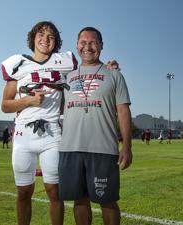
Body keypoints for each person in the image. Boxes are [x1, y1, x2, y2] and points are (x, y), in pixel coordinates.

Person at [1, 21, 77, 225]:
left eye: (51, 36)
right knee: (24, 191)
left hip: (53, 134)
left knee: (55, 191)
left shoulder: (65, 62)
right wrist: (28, 100)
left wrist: (108, 67)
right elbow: (5, 106)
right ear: (33, 38)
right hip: (23, 137)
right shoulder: (18, 64)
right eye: (41, 34)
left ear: (56, 42)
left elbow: (86, 72)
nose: (45, 39)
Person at [59, 27, 132, 225]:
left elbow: (123, 111)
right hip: (70, 148)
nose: (87, 47)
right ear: (76, 45)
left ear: (101, 45)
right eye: (83, 42)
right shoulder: (67, 77)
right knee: (79, 201)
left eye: (93, 42)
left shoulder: (114, 75)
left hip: (103, 149)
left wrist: (126, 146)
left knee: (108, 202)